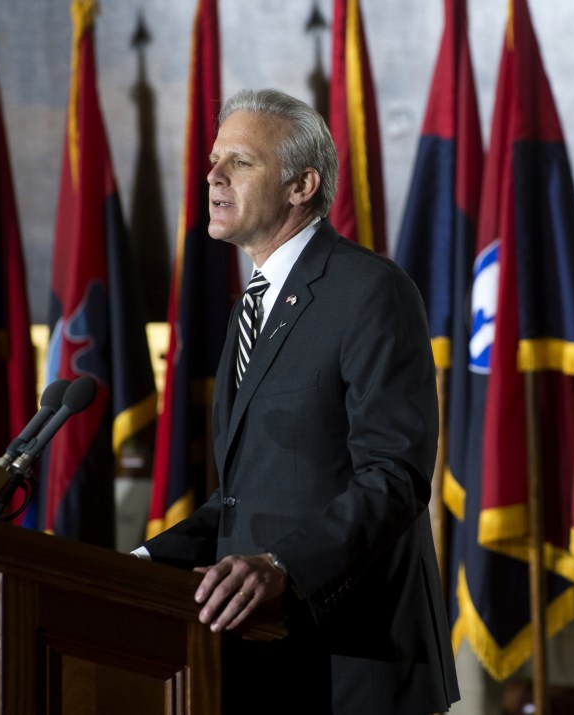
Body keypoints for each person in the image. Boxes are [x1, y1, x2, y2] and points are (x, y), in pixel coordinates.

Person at [137, 88, 459, 714]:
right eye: (212, 159)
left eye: (240, 161)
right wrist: (144, 563)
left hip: (354, 662)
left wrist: (285, 565)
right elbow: (244, 498)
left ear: (301, 185)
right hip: (261, 658)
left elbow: (395, 476)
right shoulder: (250, 308)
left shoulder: (370, 291)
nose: (212, 176)